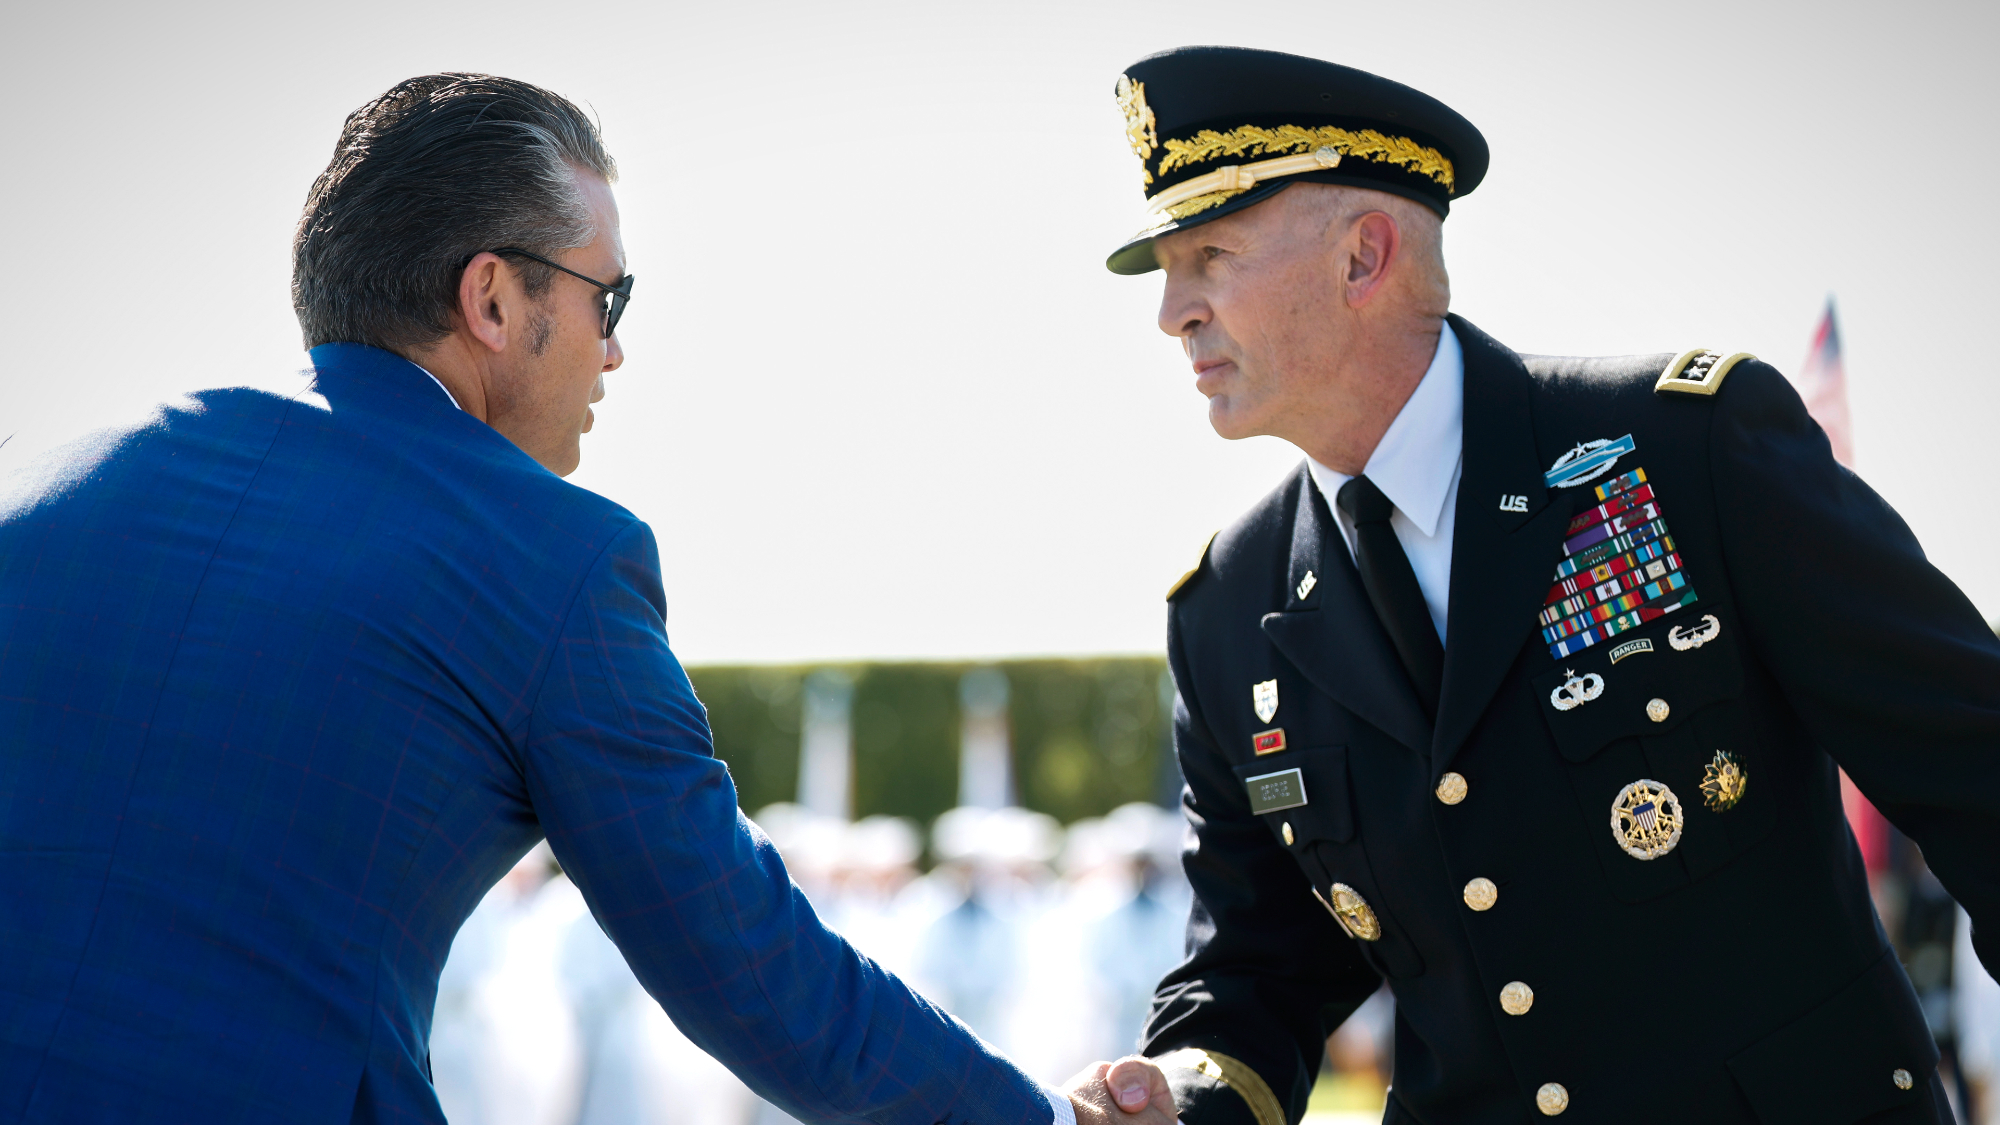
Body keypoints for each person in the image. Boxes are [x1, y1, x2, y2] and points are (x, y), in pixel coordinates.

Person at [0, 73, 1174, 1125]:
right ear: (495, 300)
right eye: (608, 298)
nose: (613, 353)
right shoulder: (549, 556)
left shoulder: (53, 479)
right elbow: (755, 976)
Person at [1104, 46, 2000, 1124]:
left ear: (1363, 254)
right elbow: (1255, 971)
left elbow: (1974, 767)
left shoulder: (1683, 452)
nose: (1172, 312)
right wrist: (1176, 1087)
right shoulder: (1226, 612)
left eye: (1208, 253)